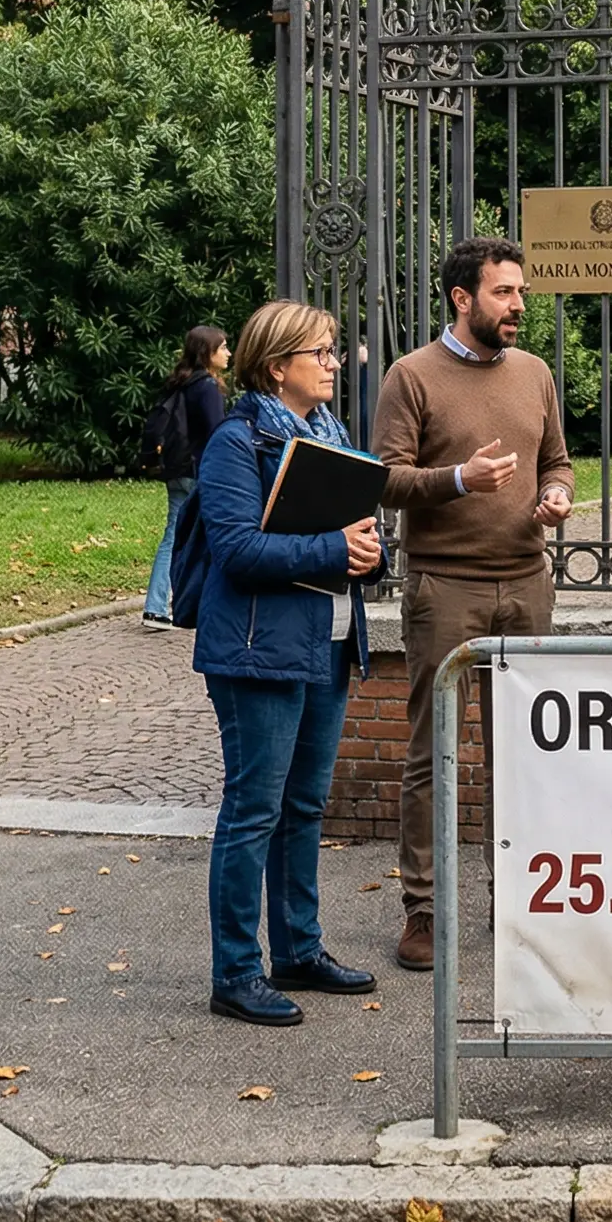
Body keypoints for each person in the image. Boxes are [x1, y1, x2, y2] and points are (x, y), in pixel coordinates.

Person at [372, 238, 574, 973]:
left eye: (521, 292)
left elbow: (557, 459)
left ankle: (520, 901)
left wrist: (556, 494)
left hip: (526, 583)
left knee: (521, 756)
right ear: (463, 298)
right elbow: (386, 479)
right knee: (435, 756)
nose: (519, 305)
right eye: (505, 293)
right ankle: (423, 911)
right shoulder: (411, 376)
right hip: (445, 588)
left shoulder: (535, 373)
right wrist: (458, 479)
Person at [191, 301, 382, 1025]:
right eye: (322, 352)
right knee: (254, 811)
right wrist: (336, 548)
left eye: (333, 351)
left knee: (303, 807)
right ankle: (235, 972)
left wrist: (367, 552)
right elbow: (237, 550)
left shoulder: (331, 435)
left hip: (327, 640)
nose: (334, 363)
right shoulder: (238, 443)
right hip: (256, 650)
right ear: (277, 367)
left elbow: (359, 532)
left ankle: (298, 949)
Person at [143, 324, 230, 629]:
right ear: (208, 353)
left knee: (173, 535)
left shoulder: (179, 382)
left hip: (176, 467)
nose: (229, 353)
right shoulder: (206, 387)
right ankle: (196, 603)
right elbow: (218, 432)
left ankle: (156, 606)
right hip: (198, 470)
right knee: (207, 536)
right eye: (223, 348)